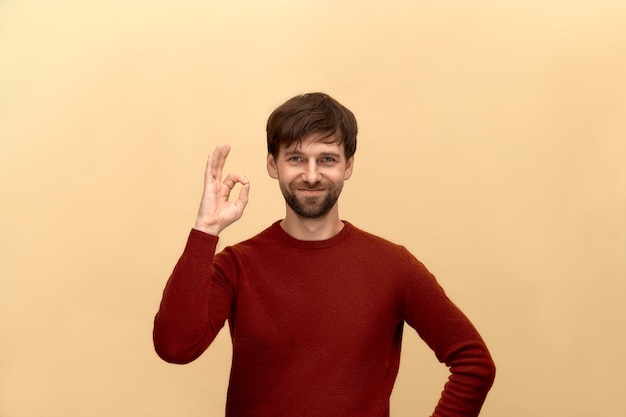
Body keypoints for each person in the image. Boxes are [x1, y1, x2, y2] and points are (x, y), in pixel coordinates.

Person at [153, 92, 496, 417]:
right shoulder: (237, 265)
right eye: (296, 159)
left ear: (347, 166)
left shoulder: (393, 266)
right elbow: (175, 347)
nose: (312, 175)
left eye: (327, 159)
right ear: (273, 165)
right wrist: (205, 232)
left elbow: (474, 363)